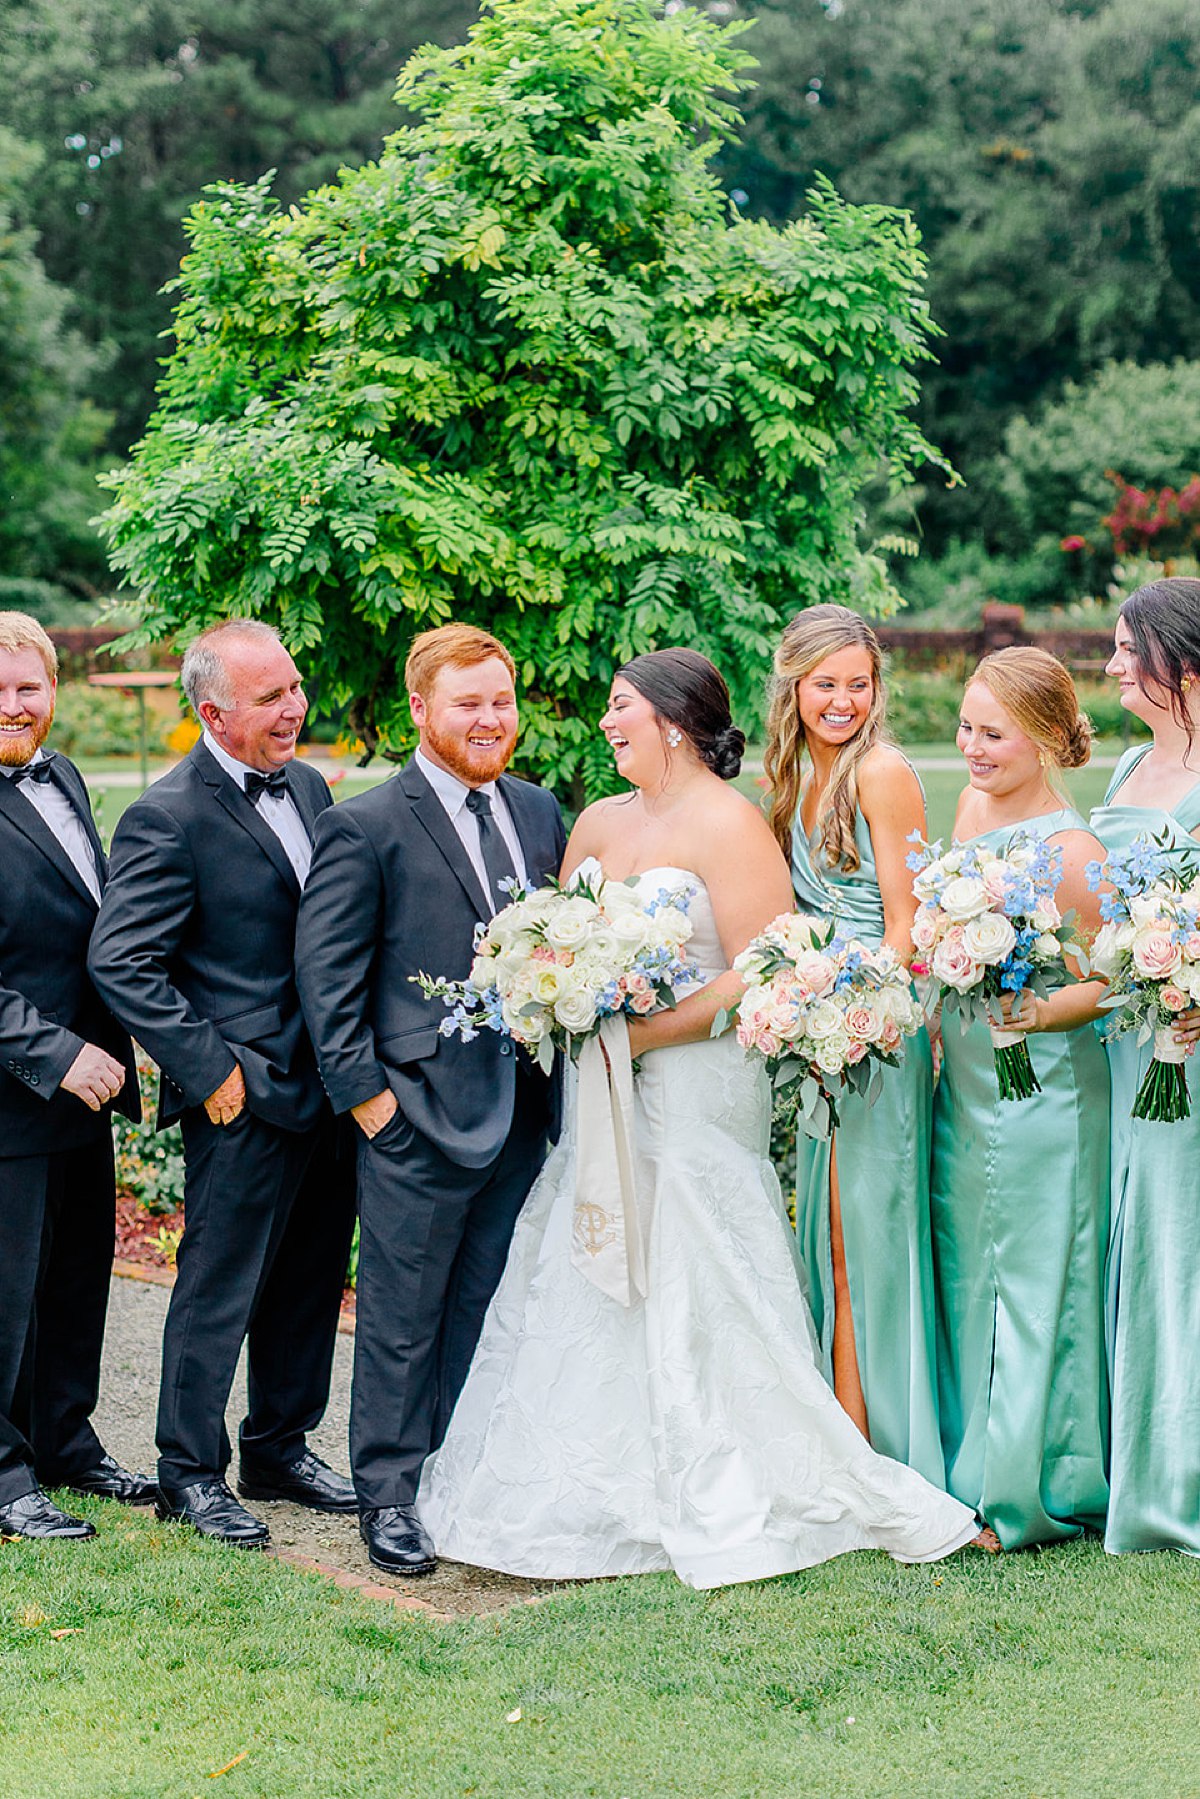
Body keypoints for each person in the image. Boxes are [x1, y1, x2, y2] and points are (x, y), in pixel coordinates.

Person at [419, 648, 982, 1588]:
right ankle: (593, 1476)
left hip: (697, 1082)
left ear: (674, 723)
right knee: (585, 1244)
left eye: (620, 707)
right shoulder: (596, 820)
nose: (607, 723)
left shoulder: (731, 825)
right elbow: (560, 938)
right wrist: (560, 993)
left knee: (695, 1247)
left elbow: (752, 973)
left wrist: (644, 1037)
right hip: (607, 1086)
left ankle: (730, 1468)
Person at [295, 623, 566, 1578]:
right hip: (411, 1113)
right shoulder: (365, 824)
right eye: (468, 702)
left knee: (486, 1305)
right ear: (422, 709)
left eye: (501, 700)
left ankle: (460, 1477)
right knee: (402, 1316)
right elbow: (326, 981)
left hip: (523, 1112)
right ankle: (392, 1494)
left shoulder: (540, 813)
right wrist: (369, 1103)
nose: (490, 719)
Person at [89, 620, 356, 1548]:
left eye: (294, 687)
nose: (296, 708)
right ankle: (188, 1471)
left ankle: (278, 1447)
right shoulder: (166, 815)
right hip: (239, 1098)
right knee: (218, 1287)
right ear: (213, 711)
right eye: (273, 697)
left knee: (310, 1280)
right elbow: (122, 961)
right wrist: (213, 1071)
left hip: (329, 1085)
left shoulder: (314, 785)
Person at [930, 646, 1110, 1549]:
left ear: (1043, 739)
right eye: (965, 726)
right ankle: (968, 1463)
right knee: (973, 1269)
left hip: (1041, 1091)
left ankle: (1033, 1481)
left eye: (991, 733)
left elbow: (1107, 985)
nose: (971, 746)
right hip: (966, 1081)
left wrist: (1039, 1010)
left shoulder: (1074, 853)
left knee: (1034, 1274)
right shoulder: (968, 808)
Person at [763, 605, 945, 1486]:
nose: (841, 700)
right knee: (828, 1234)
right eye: (824, 683)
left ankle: (881, 1446)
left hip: (875, 1033)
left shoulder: (880, 772)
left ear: (877, 690)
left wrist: (847, 1006)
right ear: (793, 685)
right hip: (821, 1034)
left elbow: (909, 926)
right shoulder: (799, 773)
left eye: (857, 684)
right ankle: (841, 1430)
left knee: (864, 1236)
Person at [0, 612, 152, 1541]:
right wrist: (54, 1051)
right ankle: (6, 1473)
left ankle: (62, 1437)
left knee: (73, 1276)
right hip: (14, 1089)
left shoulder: (62, 777)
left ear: (55, 691)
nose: (13, 705)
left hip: (83, 1096)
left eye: (28, 687)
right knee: (3, 1290)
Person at [1090, 577, 1200, 1554]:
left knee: (1184, 1233)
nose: (1115, 664)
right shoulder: (1127, 761)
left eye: (1130, 649)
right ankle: (1142, 1459)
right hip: (1130, 1039)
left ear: (1180, 660)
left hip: (1192, 1042)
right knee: (1139, 1224)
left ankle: (1182, 1479)